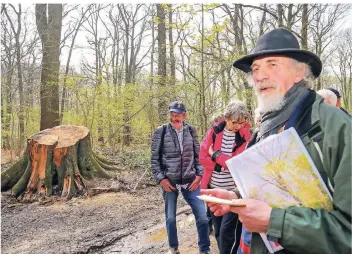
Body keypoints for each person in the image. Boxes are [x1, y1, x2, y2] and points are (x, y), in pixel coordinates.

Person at [201, 28, 351, 254]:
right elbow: (273, 189)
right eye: (255, 69)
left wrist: (275, 222)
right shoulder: (266, 126)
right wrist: (236, 199)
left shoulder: (337, 128)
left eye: (272, 64)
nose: (259, 76)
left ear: (300, 71)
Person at [151, 101, 211, 254]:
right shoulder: (161, 131)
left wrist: (199, 175)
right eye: (172, 113)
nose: (175, 116)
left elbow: (198, 156)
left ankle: (204, 249)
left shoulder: (191, 130)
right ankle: (173, 248)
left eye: (178, 114)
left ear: (184, 115)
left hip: (191, 181)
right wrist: (161, 179)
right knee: (170, 218)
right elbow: (154, 159)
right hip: (170, 182)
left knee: (203, 217)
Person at [199, 101, 251, 254]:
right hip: (213, 189)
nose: (238, 126)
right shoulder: (213, 132)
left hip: (232, 192)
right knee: (217, 228)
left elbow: (236, 162)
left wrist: (215, 155)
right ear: (227, 118)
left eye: (242, 122)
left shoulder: (245, 136)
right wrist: (218, 165)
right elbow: (202, 156)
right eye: (235, 122)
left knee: (227, 232)